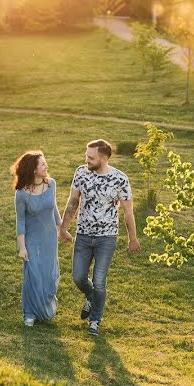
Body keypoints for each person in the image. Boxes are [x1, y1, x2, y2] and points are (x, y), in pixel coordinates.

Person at [59, 139, 140, 336]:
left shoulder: (120, 179)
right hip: (84, 235)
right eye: (86, 156)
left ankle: (95, 321)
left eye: (91, 157)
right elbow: (73, 201)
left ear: (104, 158)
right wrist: (63, 228)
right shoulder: (81, 173)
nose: (86, 160)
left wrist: (133, 238)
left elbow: (128, 212)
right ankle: (90, 295)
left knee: (100, 280)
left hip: (107, 238)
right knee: (78, 277)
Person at [11, 151, 62, 327]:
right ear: (33, 169)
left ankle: (44, 309)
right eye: (42, 164)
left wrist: (62, 229)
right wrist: (22, 247)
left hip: (50, 239)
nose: (46, 166)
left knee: (49, 276)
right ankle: (30, 313)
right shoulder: (21, 194)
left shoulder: (51, 184)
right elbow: (21, 220)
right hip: (32, 240)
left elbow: (53, 207)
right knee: (32, 275)